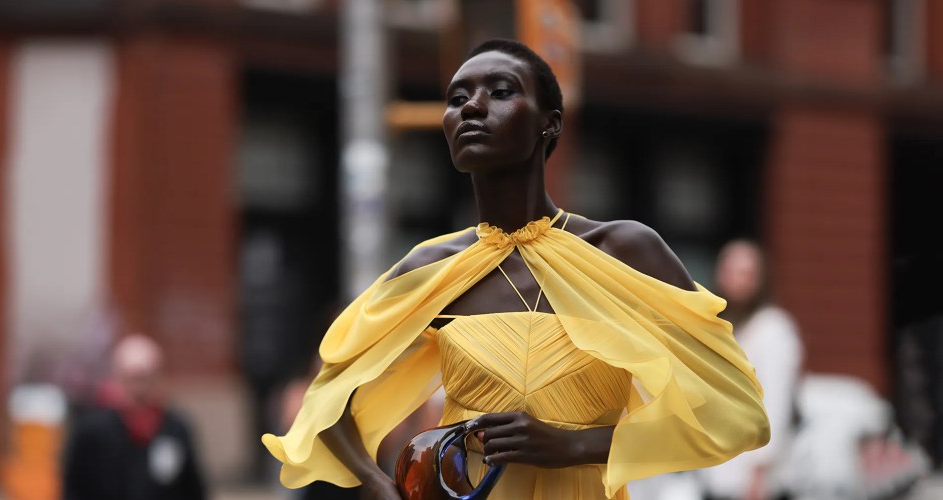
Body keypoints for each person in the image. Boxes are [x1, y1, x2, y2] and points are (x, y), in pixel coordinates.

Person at [263, 39, 770, 500]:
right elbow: (326, 401)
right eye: (457, 98)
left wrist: (573, 446)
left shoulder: (622, 251)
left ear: (550, 122)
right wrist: (378, 486)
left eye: (501, 91)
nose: (472, 107)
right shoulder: (434, 269)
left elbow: (735, 411)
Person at [698, 240, 804, 500]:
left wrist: (760, 468)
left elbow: (776, 401)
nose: (736, 281)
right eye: (730, 271)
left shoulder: (773, 329)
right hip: (717, 474)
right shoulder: (720, 328)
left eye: (745, 273)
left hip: (754, 482)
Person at [62, 334, 208, 500]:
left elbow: (193, 488)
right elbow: (73, 488)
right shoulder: (92, 431)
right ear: (117, 378)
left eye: (146, 378)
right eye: (133, 378)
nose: (140, 387)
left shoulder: (175, 428)